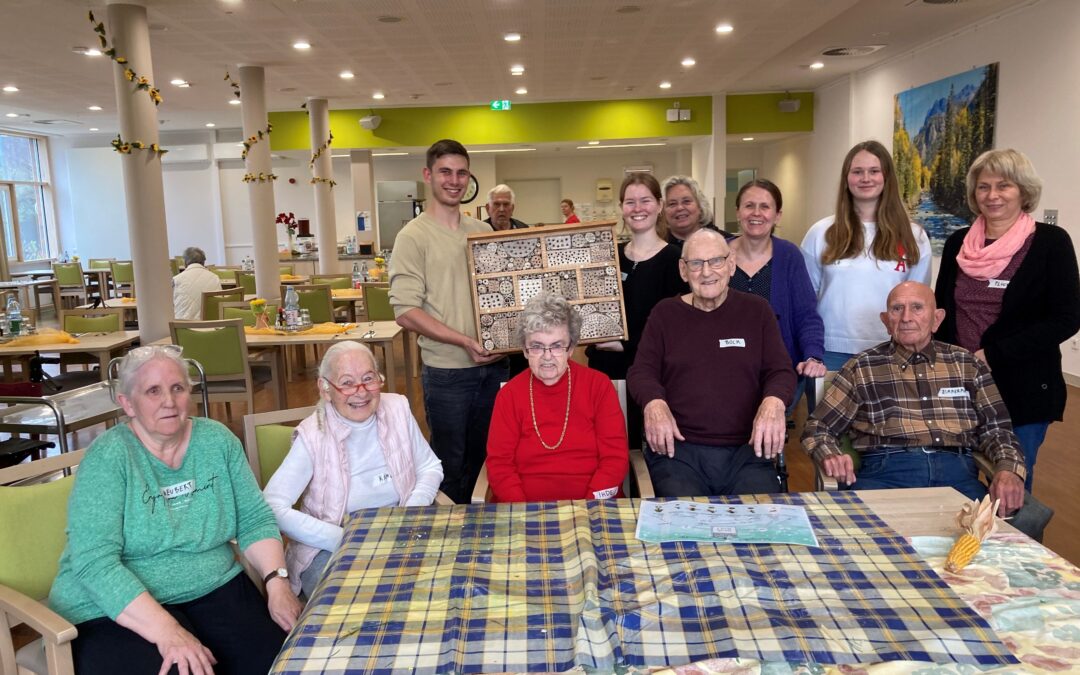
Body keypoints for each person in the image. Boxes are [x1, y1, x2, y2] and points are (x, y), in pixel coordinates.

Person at [47, 345, 300, 675]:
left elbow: (253, 519)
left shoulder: (217, 441)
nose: (169, 401)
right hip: (109, 608)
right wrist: (168, 631)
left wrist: (276, 583)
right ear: (127, 404)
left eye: (177, 388)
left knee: (286, 662)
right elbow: (94, 563)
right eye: (153, 391)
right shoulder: (109, 458)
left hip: (213, 585)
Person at [801, 282, 1029, 521]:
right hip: (886, 475)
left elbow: (998, 429)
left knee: (1020, 523)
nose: (906, 317)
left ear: (937, 318)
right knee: (847, 532)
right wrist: (829, 454)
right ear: (885, 320)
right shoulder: (862, 367)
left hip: (958, 477)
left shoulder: (966, 364)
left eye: (917, 308)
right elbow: (818, 428)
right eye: (897, 309)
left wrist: (1008, 469)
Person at [934, 149, 1080, 491]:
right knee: (957, 477)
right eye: (983, 187)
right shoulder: (959, 242)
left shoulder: (1050, 243)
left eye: (1004, 186)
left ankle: (1009, 544)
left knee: (1010, 486)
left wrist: (993, 355)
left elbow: (1066, 318)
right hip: (961, 383)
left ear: (1023, 191)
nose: (992, 195)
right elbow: (942, 309)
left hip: (1023, 387)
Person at [263, 342, 443, 598]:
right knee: (362, 601)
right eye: (346, 383)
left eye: (368, 379)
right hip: (334, 547)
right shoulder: (313, 434)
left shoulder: (397, 408)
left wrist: (410, 513)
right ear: (325, 389)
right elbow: (272, 506)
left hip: (402, 533)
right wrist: (344, 538)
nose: (361, 392)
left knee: (436, 589)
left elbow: (429, 466)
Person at [628, 229, 795, 497]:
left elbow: (781, 371)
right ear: (683, 271)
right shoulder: (665, 314)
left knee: (761, 525)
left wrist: (773, 402)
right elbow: (642, 372)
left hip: (747, 451)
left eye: (715, 261)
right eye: (696, 264)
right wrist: (654, 403)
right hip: (679, 453)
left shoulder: (757, 310)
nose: (707, 272)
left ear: (731, 265)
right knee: (684, 526)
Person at [389, 139, 506, 503]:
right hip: (448, 373)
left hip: (496, 368)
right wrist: (464, 342)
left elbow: (502, 295)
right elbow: (405, 311)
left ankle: (485, 535)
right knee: (449, 466)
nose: (454, 180)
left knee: (491, 460)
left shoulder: (483, 233)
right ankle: (453, 543)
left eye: (461, 173)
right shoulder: (413, 237)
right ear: (428, 175)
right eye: (445, 172)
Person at [801, 140, 932, 370]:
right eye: (857, 172)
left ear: (887, 177)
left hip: (892, 349)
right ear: (846, 178)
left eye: (874, 171)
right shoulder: (820, 232)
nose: (865, 178)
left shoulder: (915, 236)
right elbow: (804, 299)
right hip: (830, 350)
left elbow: (918, 302)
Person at [486, 292, 628, 502]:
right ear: (525, 350)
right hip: (524, 509)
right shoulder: (509, 395)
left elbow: (614, 459)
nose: (547, 356)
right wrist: (524, 512)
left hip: (593, 505)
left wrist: (588, 508)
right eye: (536, 346)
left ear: (570, 348)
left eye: (556, 346)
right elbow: (500, 465)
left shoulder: (599, 386)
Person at [587, 172, 686, 448]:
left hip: (652, 377)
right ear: (621, 208)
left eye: (645, 200)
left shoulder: (676, 261)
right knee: (607, 447)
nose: (638, 208)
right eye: (630, 202)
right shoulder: (609, 256)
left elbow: (677, 329)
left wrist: (624, 345)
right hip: (604, 372)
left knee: (644, 453)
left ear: (659, 205)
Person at [728, 179, 826, 407]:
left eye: (765, 206)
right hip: (725, 371)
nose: (756, 213)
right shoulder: (719, 253)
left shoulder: (789, 256)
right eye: (749, 205)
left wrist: (813, 355)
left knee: (769, 437)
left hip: (777, 372)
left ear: (777, 215)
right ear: (738, 212)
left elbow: (806, 315)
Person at [660, 175, 719, 252]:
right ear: (662, 211)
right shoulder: (656, 249)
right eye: (672, 204)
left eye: (686, 201)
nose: (680, 208)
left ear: (700, 206)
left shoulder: (725, 242)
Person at [172, 246, 222, 320]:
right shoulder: (215, 278)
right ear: (203, 262)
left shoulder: (176, 280)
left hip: (183, 328)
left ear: (185, 262)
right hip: (210, 327)